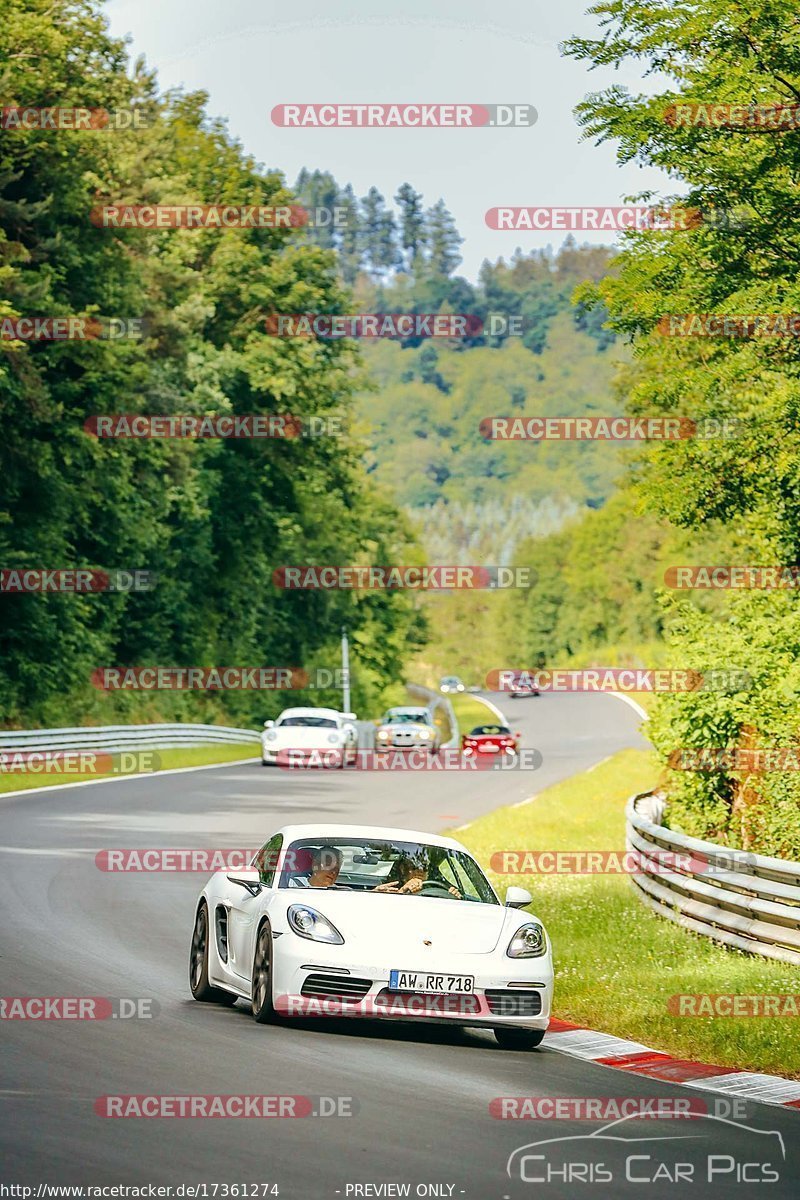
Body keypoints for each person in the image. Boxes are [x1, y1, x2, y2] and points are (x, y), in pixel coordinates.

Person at [373, 856, 460, 897]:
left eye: (424, 867)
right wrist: (402, 891)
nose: (420, 871)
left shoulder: (438, 890)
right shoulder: (389, 890)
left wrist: (453, 897)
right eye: (414, 867)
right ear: (403, 870)